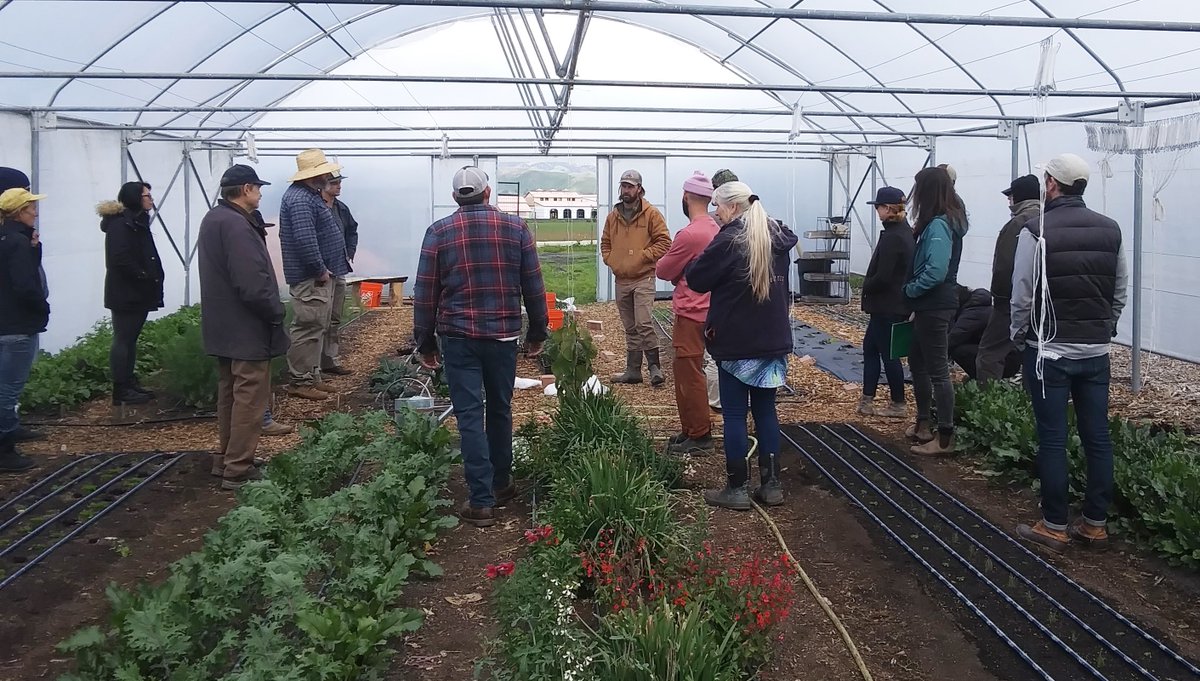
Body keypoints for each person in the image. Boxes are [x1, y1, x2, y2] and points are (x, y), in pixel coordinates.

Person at [413, 166, 548, 528]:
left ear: (455, 198)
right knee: (500, 408)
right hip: (502, 336)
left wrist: (425, 341)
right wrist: (537, 332)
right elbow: (533, 285)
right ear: (488, 193)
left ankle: (480, 500)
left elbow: (425, 292)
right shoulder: (516, 228)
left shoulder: (439, 232)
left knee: (470, 414)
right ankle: (501, 483)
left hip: (458, 338)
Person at [1011, 153, 1127, 553]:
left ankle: (1054, 525)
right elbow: (1118, 290)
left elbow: (1022, 292)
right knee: (1098, 437)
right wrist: (1105, 328)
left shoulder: (1036, 230)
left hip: (1049, 352)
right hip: (1095, 352)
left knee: (1053, 438)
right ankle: (1095, 524)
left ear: (1051, 184)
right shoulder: (1110, 229)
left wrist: (1019, 335)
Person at [687, 181, 798, 510]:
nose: (715, 213)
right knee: (766, 411)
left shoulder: (729, 240)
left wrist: (694, 262)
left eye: (717, 206)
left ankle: (737, 489)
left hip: (736, 340)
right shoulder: (777, 235)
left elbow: (697, 279)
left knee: (735, 414)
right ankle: (771, 486)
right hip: (773, 339)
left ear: (733, 207)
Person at [198, 165, 289, 491]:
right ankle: (238, 468)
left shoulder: (215, 218)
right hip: (246, 326)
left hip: (223, 324)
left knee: (230, 395)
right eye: (258, 188)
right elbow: (252, 283)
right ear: (247, 189)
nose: (261, 194)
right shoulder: (237, 225)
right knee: (250, 397)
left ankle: (226, 458)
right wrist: (275, 311)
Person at [904, 166, 969, 456]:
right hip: (931, 304)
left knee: (939, 371)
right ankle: (923, 423)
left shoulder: (940, 226)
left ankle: (944, 437)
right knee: (918, 362)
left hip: (935, 304)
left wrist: (910, 290)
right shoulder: (942, 221)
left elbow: (936, 271)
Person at [656, 171, 720, 456]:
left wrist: (677, 273)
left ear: (686, 197)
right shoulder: (715, 228)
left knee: (688, 372)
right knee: (698, 369)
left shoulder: (690, 234)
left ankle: (699, 433)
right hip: (713, 309)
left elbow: (664, 270)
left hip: (691, 312)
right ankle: (691, 428)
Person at [279, 149, 350, 401]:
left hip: (319, 275)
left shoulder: (309, 196)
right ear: (314, 175)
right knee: (308, 326)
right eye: (324, 172)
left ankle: (312, 375)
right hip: (311, 277)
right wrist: (319, 269)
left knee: (318, 325)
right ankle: (300, 380)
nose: (328, 176)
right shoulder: (300, 200)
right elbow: (304, 239)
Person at [601, 170, 672, 386]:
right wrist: (611, 260)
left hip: (643, 277)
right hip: (621, 278)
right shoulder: (613, 216)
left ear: (639, 189)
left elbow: (664, 241)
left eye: (630, 186)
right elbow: (605, 243)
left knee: (643, 322)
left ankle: (654, 368)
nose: (626, 190)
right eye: (624, 186)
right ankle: (633, 371)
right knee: (630, 326)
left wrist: (643, 256)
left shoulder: (651, 214)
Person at [98, 182, 165, 406]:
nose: (150, 199)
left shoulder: (135, 221)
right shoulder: (121, 224)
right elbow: (119, 258)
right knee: (124, 338)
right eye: (146, 195)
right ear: (135, 198)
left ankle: (128, 382)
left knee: (130, 339)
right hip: (127, 292)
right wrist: (143, 275)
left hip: (135, 291)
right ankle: (121, 388)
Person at [0, 188, 49, 472]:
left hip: (5, 322)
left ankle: (10, 431)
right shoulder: (17, 242)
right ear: (19, 213)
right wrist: (42, 307)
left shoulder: (8, 238)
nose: (36, 213)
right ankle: (5, 449)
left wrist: (35, 248)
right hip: (17, 326)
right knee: (8, 390)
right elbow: (25, 284)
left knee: (4, 386)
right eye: (31, 209)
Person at [977, 174, 1041, 383]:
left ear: (1019, 197)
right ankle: (1032, 399)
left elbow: (1004, 266)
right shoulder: (1051, 218)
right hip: (1045, 302)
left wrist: (999, 299)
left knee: (989, 354)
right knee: (1034, 353)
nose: (1008, 200)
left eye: (1010, 196)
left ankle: (989, 398)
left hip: (1012, 302)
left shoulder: (1018, 224)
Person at [858, 186, 915, 418]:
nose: (877, 211)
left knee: (889, 354)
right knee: (872, 348)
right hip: (892, 305)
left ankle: (898, 403)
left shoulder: (894, 237)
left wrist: (867, 286)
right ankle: (867, 400)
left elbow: (883, 276)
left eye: (879, 207)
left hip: (887, 306)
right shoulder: (904, 232)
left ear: (889, 209)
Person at [249, 209, 295, 438]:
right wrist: (274, 311)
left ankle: (261, 419)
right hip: (250, 323)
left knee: (248, 379)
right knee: (253, 378)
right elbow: (254, 286)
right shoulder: (244, 239)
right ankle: (262, 420)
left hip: (248, 319)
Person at [320, 170, 357, 377]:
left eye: (339, 182)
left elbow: (352, 229)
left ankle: (329, 360)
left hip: (339, 268)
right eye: (334, 183)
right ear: (322, 184)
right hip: (321, 271)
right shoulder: (315, 206)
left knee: (334, 317)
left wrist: (350, 251)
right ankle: (314, 366)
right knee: (319, 318)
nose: (339, 186)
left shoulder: (341, 208)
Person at [948, 286, 1005, 381]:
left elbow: (955, 336)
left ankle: (979, 379)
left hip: (1000, 359)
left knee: (958, 351)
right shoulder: (979, 307)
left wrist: (933, 354)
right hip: (1003, 355)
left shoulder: (974, 312)